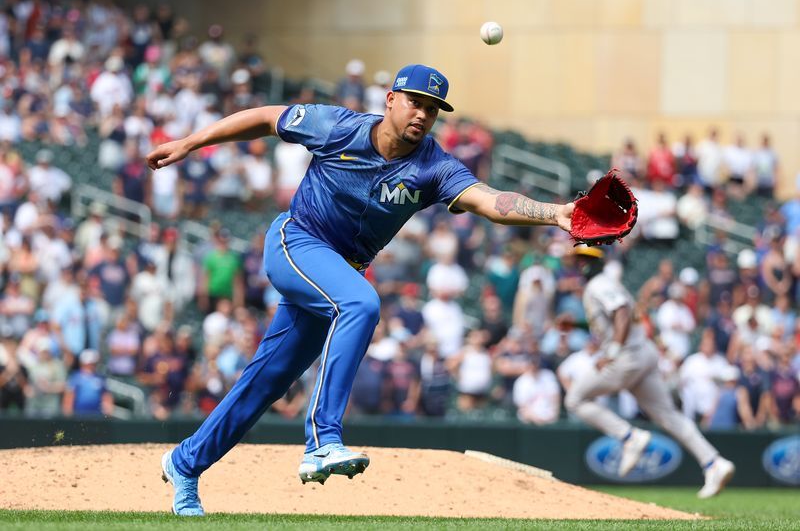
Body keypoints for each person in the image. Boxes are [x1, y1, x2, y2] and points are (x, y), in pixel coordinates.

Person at [147, 63, 574, 516]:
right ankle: (322, 441)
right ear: (391, 99)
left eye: (432, 110)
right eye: (415, 102)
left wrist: (555, 214)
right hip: (296, 242)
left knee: (267, 382)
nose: (422, 115)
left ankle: (185, 463)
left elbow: (491, 202)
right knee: (362, 302)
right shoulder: (336, 126)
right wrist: (191, 143)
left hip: (338, 274)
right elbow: (266, 117)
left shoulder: (433, 167)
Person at [564, 246, 735, 499]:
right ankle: (713, 463)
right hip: (642, 352)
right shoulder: (604, 283)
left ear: (585, 264)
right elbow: (612, 318)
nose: (576, 266)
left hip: (627, 357)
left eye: (579, 261)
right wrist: (577, 324)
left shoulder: (598, 284)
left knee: (575, 399)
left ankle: (629, 436)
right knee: (668, 416)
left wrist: (611, 352)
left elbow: (621, 311)